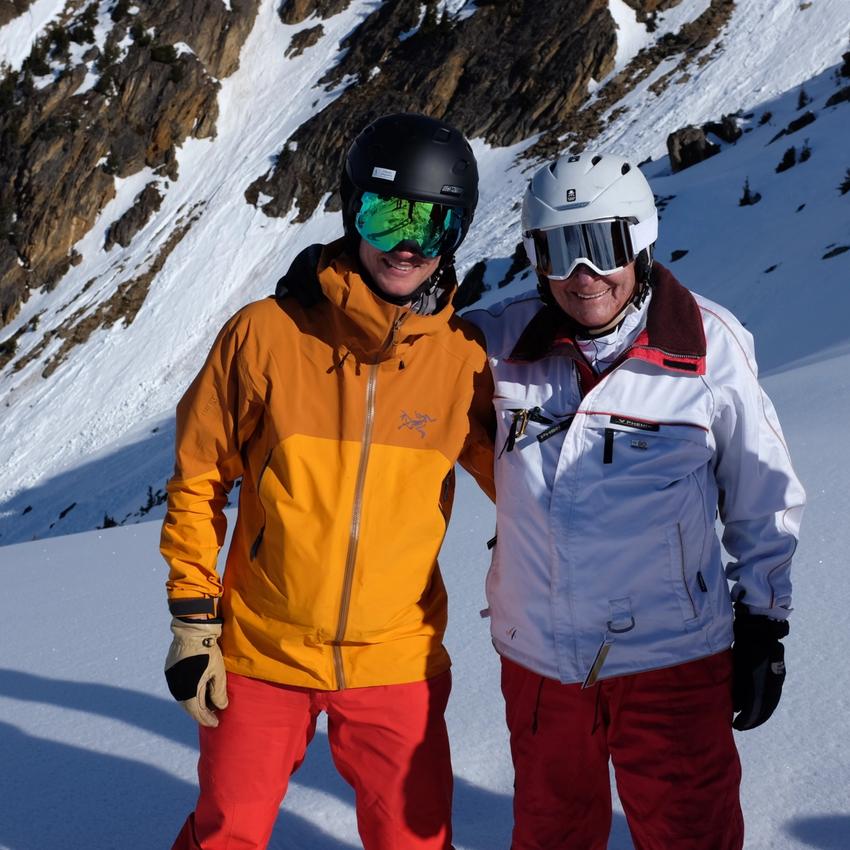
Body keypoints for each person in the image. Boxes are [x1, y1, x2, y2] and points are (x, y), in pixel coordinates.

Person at [160, 112, 495, 850]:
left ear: (456, 234)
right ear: (352, 212)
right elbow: (199, 476)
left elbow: (530, 486)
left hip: (396, 657)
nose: (407, 245)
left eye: (432, 225)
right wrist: (193, 616)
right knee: (227, 835)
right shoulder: (266, 335)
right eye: (387, 215)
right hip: (262, 651)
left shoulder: (463, 362)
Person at [466, 151, 805, 850]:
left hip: (671, 656)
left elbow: (762, 493)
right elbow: (400, 355)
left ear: (642, 240)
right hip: (541, 661)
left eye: (603, 243)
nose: (583, 273)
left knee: (691, 835)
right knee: (552, 836)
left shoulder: (708, 346)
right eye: (559, 250)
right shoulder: (498, 345)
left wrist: (763, 624)